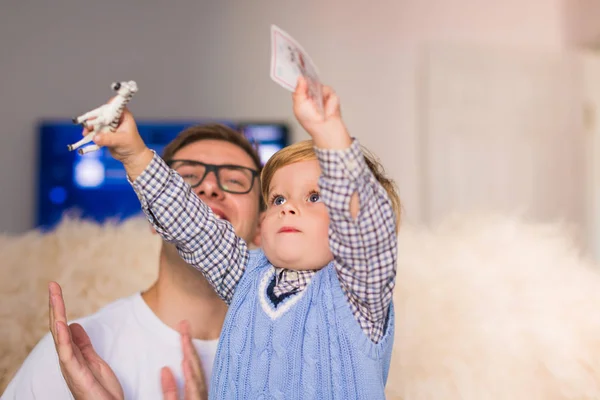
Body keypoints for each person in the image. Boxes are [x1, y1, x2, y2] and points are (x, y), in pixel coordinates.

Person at [2, 124, 264, 399]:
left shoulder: (295, 351)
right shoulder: (78, 355)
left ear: (262, 225)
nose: (209, 187)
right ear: (156, 219)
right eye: (186, 178)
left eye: (235, 180)